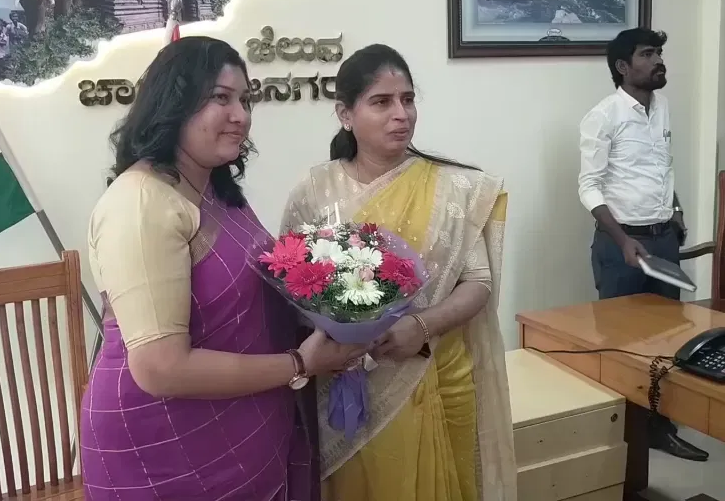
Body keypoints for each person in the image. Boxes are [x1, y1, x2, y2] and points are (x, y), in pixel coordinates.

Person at [81, 36, 366, 500]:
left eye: (245, 100)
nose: (241, 115)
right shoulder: (140, 203)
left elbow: (263, 285)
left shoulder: (214, 188)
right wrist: (300, 363)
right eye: (221, 98)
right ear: (173, 103)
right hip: (164, 449)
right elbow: (159, 368)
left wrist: (346, 302)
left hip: (244, 428)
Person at [281, 44, 516, 501]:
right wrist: (341, 337)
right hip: (349, 381)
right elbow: (292, 282)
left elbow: (478, 281)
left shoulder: (452, 187)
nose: (401, 114)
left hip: (437, 369)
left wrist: (421, 325)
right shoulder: (315, 188)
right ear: (345, 114)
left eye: (408, 99)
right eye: (381, 102)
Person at [577, 28, 709, 462]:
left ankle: (659, 426)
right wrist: (623, 239)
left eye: (659, 53)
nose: (658, 60)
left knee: (667, 339)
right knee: (621, 343)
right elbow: (589, 187)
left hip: (662, 239)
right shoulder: (603, 116)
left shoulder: (662, 106)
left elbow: (662, 168)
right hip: (620, 247)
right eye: (648, 54)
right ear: (622, 67)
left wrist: (677, 211)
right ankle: (623, 437)